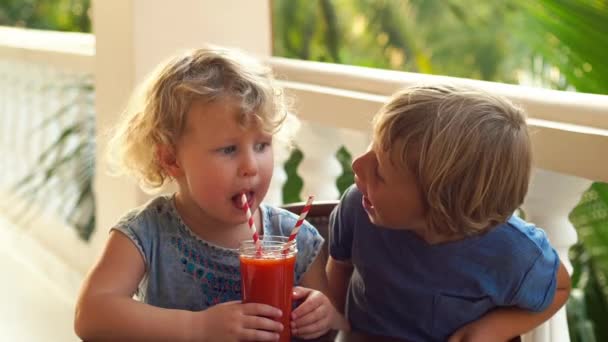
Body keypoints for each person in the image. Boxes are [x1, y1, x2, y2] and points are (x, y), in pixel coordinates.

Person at [74, 47, 346, 341]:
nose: (250, 167)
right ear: (172, 160)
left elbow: (335, 326)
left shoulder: (296, 239)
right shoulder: (147, 232)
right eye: (228, 149)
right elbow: (90, 315)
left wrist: (324, 316)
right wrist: (198, 328)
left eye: (261, 145)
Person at [326, 84, 571, 342]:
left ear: (439, 204)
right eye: (371, 147)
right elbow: (340, 266)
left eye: (380, 173)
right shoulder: (358, 206)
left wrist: (495, 328)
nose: (357, 165)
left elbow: (560, 287)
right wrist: (333, 322)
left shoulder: (512, 251)